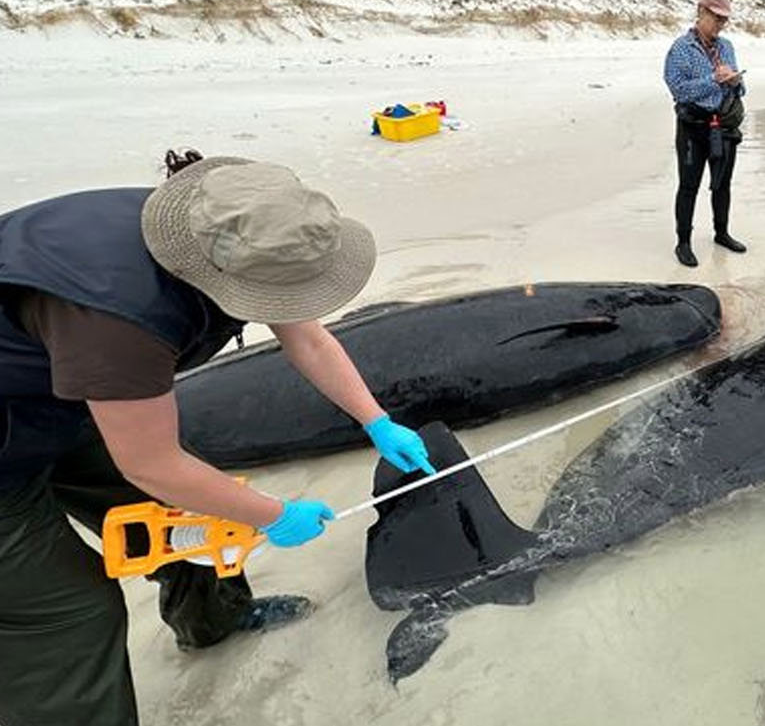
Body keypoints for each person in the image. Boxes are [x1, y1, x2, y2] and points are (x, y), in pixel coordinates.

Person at [0, 154, 437, 726]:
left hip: (53, 396)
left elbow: (307, 339)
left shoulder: (219, 228)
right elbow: (151, 463)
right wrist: (273, 514)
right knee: (71, 615)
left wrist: (375, 420)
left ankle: (215, 622)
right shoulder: (118, 317)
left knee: (192, 519)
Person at [663, 0, 747, 268]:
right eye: (716, 18)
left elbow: (741, 88)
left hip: (722, 125)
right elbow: (678, 90)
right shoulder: (680, 49)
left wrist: (735, 82)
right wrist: (715, 79)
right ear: (701, 13)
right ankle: (683, 242)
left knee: (723, 184)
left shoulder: (727, 47)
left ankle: (721, 233)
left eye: (724, 20)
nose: (720, 25)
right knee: (689, 186)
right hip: (692, 126)